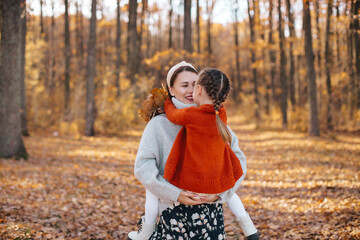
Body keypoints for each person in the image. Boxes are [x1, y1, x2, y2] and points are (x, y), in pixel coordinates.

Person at [127, 62, 259, 240]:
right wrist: (175, 194)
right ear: (171, 90)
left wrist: (219, 194)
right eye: (184, 85)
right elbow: (143, 167)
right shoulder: (158, 125)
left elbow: (237, 162)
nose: (191, 90)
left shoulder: (215, 121)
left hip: (210, 214)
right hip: (172, 212)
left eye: (194, 84)